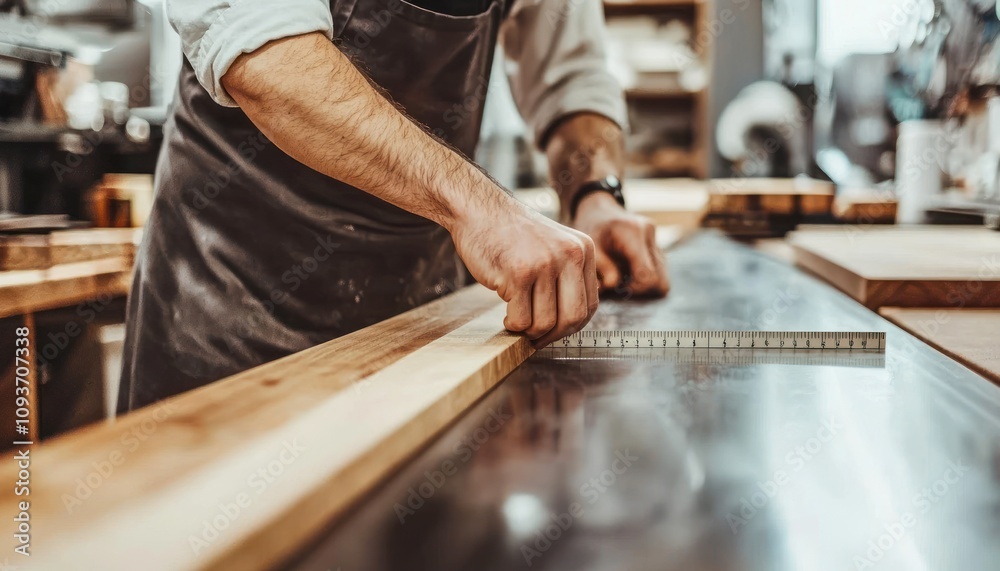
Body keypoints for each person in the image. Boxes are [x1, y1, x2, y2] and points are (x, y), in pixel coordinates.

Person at [118, 0, 670, 412]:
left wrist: (596, 193)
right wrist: (480, 206)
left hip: (422, 332)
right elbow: (268, 59)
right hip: (236, 312)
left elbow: (571, 77)